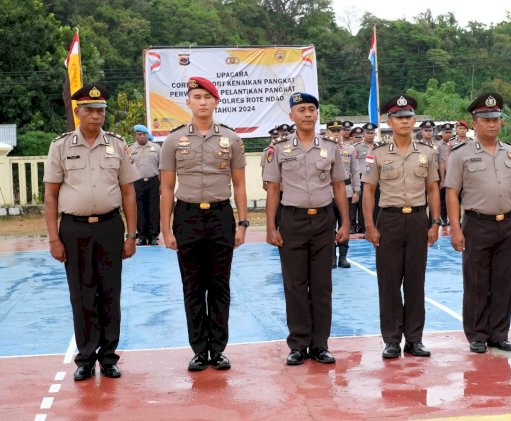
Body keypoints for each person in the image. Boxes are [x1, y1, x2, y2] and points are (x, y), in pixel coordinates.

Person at [43, 83, 140, 380]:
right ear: (77, 112)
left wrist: (131, 234)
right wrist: (54, 238)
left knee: (110, 293)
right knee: (81, 294)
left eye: (101, 110)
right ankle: (85, 357)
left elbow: (128, 193)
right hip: (74, 229)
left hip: (111, 227)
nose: (96, 116)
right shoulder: (60, 146)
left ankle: (109, 357)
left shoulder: (117, 145)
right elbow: (50, 196)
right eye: (90, 110)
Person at [160, 76, 248, 371]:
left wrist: (243, 222)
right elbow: (166, 188)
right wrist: (165, 227)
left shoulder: (231, 139)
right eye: (196, 97)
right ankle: (199, 349)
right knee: (193, 287)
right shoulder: (173, 140)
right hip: (187, 217)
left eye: (207, 98)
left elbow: (239, 185)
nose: (202, 102)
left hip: (221, 216)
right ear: (188, 102)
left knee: (220, 285)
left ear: (215, 102)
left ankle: (218, 349)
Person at [264, 92, 349, 366]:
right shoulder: (278, 149)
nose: (308, 114)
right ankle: (299, 344)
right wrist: (270, 226)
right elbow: (273, 190)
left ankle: (320, 344)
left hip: (324, 219)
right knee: (295, 284)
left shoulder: (330, 147)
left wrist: (345, 222)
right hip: (292, 219)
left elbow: (338, 187)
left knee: (322, 285)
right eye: (301, 110)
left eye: (312, 109)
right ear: (292, 115)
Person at [445, 92, 511, 354]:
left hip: (506, 224)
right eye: (486, 119)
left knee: (503, 281)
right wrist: (455, 229)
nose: (493, 124)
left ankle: (499, 333)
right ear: (475, 123)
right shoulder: (460, 154)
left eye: (496, 119)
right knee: (477, 282)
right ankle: (477, 334)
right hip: (476, 223)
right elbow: (451, 191)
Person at [361, 94, 440, 359]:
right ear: (390, 121)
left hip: (418, 220)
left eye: (408, 117)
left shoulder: (427, 153)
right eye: (399, 117)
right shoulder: (378, 154)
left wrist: (435, 222)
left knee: (416, 282)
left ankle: (415, 339)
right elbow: (369, 191)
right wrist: (370, 226)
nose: (404, 121)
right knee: (389, 282)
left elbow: (433, 189)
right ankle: (392, 340)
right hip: (390, 220)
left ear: (414, 120)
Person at [332, 125, 360, 267]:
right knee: (329, 226)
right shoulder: (323, 150)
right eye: (333, 131)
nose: (336, 134)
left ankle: (342, 257)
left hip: (347, 191)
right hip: (327, 193)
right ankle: (331, 257)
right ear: (327, 132)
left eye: (338, 131)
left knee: (345, 223)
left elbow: (355, 171)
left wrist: (357, 190)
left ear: (342, 133)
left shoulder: (350, 150)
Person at [130, 124, 161, 245]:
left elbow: (161, 167)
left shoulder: (156, 148)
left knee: (154, 209)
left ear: (147, 135)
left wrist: (162, 184)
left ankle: (153, 236)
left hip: (153, 182)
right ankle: (142, 236)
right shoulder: (131, 149)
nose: (142, 136)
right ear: (136, 135)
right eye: (139, 134)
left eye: (144, 134)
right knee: (139, 209)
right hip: (137, 183)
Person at [354, 122, 378, 233]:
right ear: (364, 133)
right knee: (364, 203)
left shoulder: (379, 147)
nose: (370, 135)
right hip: (362, 178)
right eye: (368, 133)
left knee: (377, 203)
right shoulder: (357, 147)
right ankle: (364, 227)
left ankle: (377, 225)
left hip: (376, 179)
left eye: (372, 133)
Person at [437, 123, 454, 225]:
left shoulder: (455, 144)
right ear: (442, 133)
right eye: (446, 132)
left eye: (450, 132)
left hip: (454, 173)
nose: (448, 134)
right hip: (441, 173)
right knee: (443, 198)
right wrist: (442, 179)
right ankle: (443, 219)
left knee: (455, 198)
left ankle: (454, 219)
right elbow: (440, 162)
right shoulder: (438, 145)